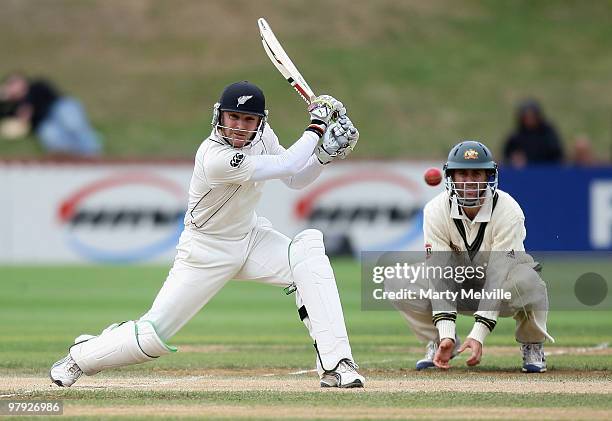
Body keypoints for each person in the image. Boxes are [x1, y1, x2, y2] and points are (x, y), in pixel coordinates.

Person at [49, 81, 364, 388]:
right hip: (205, 252)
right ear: (220, 117)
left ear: (260, 121)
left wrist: (323, 156)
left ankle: (337, 365)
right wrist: (318, 125)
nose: (240, 126)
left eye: (248, 119)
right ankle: (81, 356)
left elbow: (295, 177)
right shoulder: (214, 157)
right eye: (234, 117)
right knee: (151, 334)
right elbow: (287, 163)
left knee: (308, 255)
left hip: (251, 239)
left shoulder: (264, 136)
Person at [386, 141, 554, 372]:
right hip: (460, 286)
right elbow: (439, 273)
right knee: (398, 281)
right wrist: (446, 331)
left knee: (527, 281)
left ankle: (532, 343)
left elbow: (498, 275)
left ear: (489, 176)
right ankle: (441, 342)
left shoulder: (508, 210)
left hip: (504, 291)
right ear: (450, 177)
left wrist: (478, 335)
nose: (470, 181)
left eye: (477, 173)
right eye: (462, 173)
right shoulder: (435, 210)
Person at [0, 73, 101, 157]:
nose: (14, 87)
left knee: (72, 124)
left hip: (58, 108)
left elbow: (44, 97)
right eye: (10, 84)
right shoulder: (12, 106)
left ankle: (93, 155)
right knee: (52, 137)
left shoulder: (36, 86)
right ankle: (74, 159)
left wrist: (26, 104)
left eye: (15, 82)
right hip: (45, 124)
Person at [502, 99, 564, 168]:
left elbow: (558, 155)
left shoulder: (548, 134)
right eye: (527, 117)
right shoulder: (516, 137)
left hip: (547, 170)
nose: (529, 120)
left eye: (532, 116)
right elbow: (506, 157)